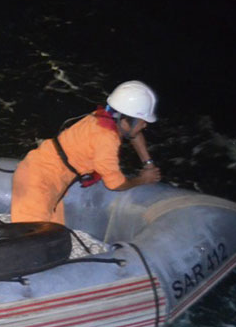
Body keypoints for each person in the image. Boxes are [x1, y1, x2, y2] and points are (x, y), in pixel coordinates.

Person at [11, 80, 162, 225]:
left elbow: (134, 133)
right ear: (126, 121)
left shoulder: (106, 116)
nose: (145, 126)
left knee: (52, 233)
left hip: (49, 175)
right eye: (143, 122)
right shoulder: (106, 138)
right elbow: (115, 184)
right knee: (31, 237)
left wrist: (148, 164)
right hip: (39, 181)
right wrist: (142, 180)